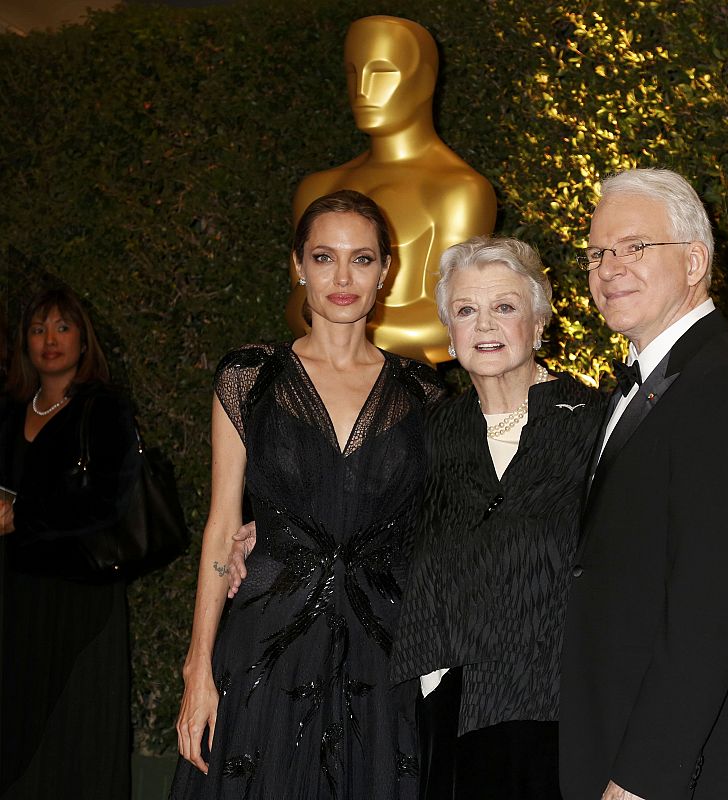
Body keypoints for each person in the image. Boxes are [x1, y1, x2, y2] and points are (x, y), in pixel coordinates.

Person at [229, 237, 604, 798]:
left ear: (539, 319)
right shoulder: (427, 430)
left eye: (504, 307)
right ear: (448, 334)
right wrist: (268, 532)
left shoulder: (595, 425)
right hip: (445, 718)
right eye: (466, 311)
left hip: (560, 713)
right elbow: (361, 507)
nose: (484, 326)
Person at [170, 190, 444, 799]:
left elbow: (437, 527)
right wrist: (197, 667)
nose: (343, 277)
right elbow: (221, 526)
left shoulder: (423, 394)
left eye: (362, 259)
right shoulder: (251, 379)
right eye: (324, 257)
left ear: (386, 271)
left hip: (383, 657)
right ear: (298, 265)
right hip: (265, 652)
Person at [559, 168, 728, 800]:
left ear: (696, 261)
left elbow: (709, 602)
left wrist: (642, 778)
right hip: (625, 751)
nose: (608, 267)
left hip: (684, 772)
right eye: (596, 253)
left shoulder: (725, 387)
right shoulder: (644, 388)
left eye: (634, 247)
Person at [287, 15, 496, 363]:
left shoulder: (459, 191)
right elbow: (297, 304)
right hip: (316, 383)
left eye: (382, 72)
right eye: (353, 72)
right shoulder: (318, 188)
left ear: (425, 80)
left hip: (407, 391)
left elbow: (451, 321)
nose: (362, 90)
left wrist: (340, 326)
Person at [0, 287, 136, 799]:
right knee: (18, 726)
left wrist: (23, 515)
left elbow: (108, 502)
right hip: (17, 594)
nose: (49, 340)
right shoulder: (10, 412)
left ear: (83, 341)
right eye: (38, 329)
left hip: (82, 597)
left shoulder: (102, 409)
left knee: (75, 732)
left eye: (62, 327)